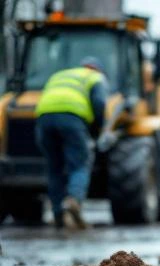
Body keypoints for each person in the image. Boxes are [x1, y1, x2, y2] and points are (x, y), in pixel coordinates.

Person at [34, 57, 108, 229]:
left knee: (55, 168)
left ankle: (58, 214)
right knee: (79, 164)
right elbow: (99, 103)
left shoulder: (59, 75)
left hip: (44, 119)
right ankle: (73, 201)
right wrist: (96, 131)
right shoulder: (95, 77)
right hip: (72, 119)